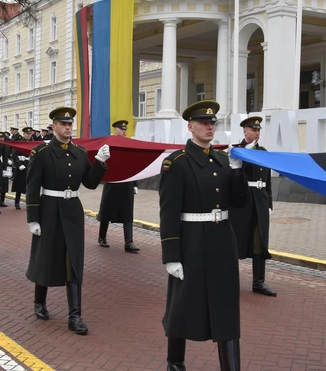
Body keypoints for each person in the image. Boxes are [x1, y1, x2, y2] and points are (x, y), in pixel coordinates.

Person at [159, 100, 250, 371]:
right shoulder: (176, 163)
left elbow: (240, 202)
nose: (210, 127)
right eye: (204, 123)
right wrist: (171, 256)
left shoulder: (223, 161)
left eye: (213, 123)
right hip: (191, 241)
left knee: (226, 306)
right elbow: (168, 211)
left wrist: (237, 171)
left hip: (222, 241)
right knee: (183, 303)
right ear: (190, 126)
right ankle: (175, 362)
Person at [25, 107, 110, 335]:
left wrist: (100, 163)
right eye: (63, 124)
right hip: (49, 210)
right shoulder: (41, 152)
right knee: (46, 256)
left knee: (74, 262)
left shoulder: (80, 153)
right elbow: (32, 187)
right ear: (54, 126)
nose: (68, 128)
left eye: (70, 124)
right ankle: (39, 301)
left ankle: (75, 316)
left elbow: (90, 183)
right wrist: (32, 218)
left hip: (72, 210)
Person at [229, 116, 276, 297]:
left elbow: (268, 180)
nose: (256, 133)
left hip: (260, 202)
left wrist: (269, 203)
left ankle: (259, 282)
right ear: (245, 131)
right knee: (236, 240)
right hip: (243, 202)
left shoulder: (263, 151)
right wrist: (245, 154)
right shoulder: (237, 150)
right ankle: (230, 279)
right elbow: (235, 174)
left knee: (260, 241)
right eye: (253, 129)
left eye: (258, 130)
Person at [97, 119, 139, 253]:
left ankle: (129, 242)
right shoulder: (109, 143)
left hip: (126, 182)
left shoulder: (130, 144)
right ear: (115, 129)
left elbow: (134, 165)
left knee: (127, 212)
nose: (124, 131)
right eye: (121, 129)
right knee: (106, 210)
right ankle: (102, 237)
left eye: (125, 129)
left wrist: (135, 183)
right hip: (112, 181)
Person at [11, 126, 32, 210]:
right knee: (19, 185)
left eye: (30, 134)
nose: (28, 135)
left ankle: (29, 202)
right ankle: (17, 202)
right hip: (21, 166)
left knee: (29, 185)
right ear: (23, 134)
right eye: (27, 134)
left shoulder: (32, 143)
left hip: (29, 165)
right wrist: (19, 165)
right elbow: (14, 155)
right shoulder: (20, 143)